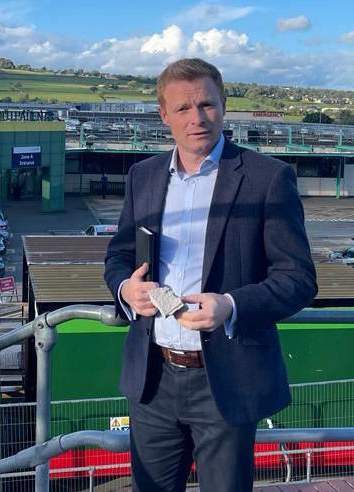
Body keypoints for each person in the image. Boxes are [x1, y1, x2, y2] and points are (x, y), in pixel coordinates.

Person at [103, 58, 317, 491]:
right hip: (152, 379)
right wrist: (127, 289)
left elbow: (298, 278)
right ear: (164, 115)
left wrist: (232, 305)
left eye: (207, 105)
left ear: (224, 105)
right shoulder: (142, 176)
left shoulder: (268, 178)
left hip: (226, 380)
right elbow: (119, 257)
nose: (197, 119)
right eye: (182, 108)